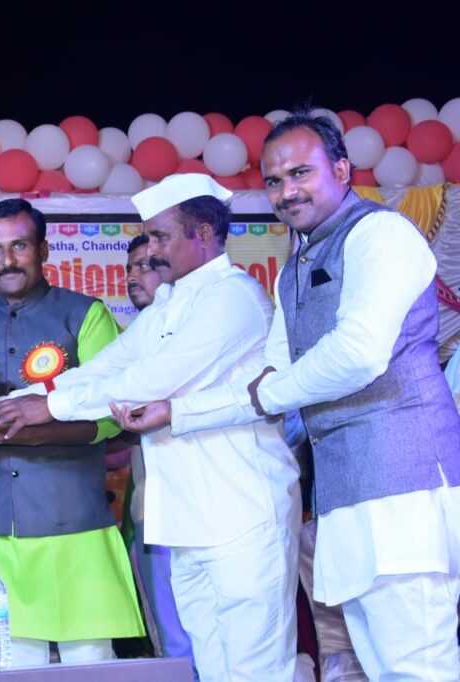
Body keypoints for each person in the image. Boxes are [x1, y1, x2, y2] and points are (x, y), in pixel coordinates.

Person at [125, 110, 460, 680]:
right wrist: (178, 412)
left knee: (417, 666)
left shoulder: (380, 234)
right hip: (346, 490)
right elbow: (269, 380)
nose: (286, 191)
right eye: (274, 181)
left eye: (301, 173)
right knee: (382, 667)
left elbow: (357, 354)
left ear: (342, 170)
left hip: (405, 485)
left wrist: (255, 395)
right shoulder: (295, 265)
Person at [0, 175, 301, 681]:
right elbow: (107, 366)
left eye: (160, 237)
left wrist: (50, 408)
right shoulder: (171, 303)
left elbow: (151, 379)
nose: (150, 250)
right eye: (149, 237)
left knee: (257, 668)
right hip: (188, 518)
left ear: (202, 233)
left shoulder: (233, 297)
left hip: (242, 512)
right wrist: (0, 406)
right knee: (211, 666)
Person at [0, 198, 144, 666]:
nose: (7, 260)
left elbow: (110, 415)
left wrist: (29, 429)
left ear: (43, 250)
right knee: (8, 667)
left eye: (19, 246)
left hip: (74, 526)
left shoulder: (85, 315)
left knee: (90, 663)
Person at [121, 234, 196, 674]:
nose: (135, 275)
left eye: (147, 265)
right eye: (130, 267)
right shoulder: (132, 342)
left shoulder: (202, 328)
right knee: (174, 643)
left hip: (210, 507)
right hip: (151, 511)